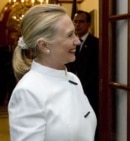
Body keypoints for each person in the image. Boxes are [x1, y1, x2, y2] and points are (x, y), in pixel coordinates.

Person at [8, 4, 97, 141]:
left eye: (74, 33)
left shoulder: (73, 79)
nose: (77, 41)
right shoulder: (28, 92)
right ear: (44, 45)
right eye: (69, 35)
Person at [67, 10, 99, 138]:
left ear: (89, 24)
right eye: (75, 21)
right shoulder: (68, 43)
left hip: (90, 95)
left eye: (81, 22)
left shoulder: (96, 44)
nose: (77, 25)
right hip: (70, 94)